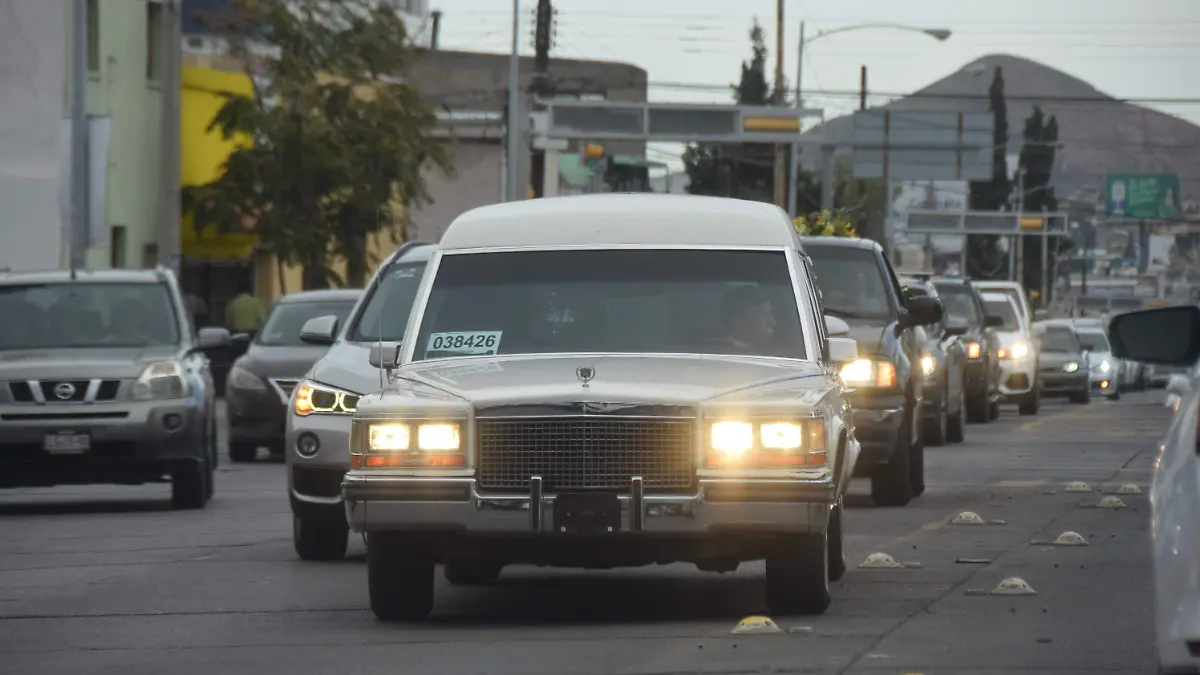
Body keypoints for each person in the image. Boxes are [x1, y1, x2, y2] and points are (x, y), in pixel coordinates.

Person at [718, 284, 776, 353]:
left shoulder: (781, 352)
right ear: (739, 321)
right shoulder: (719, 354)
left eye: (770, 314)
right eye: (763, 316)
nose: (773, 322)